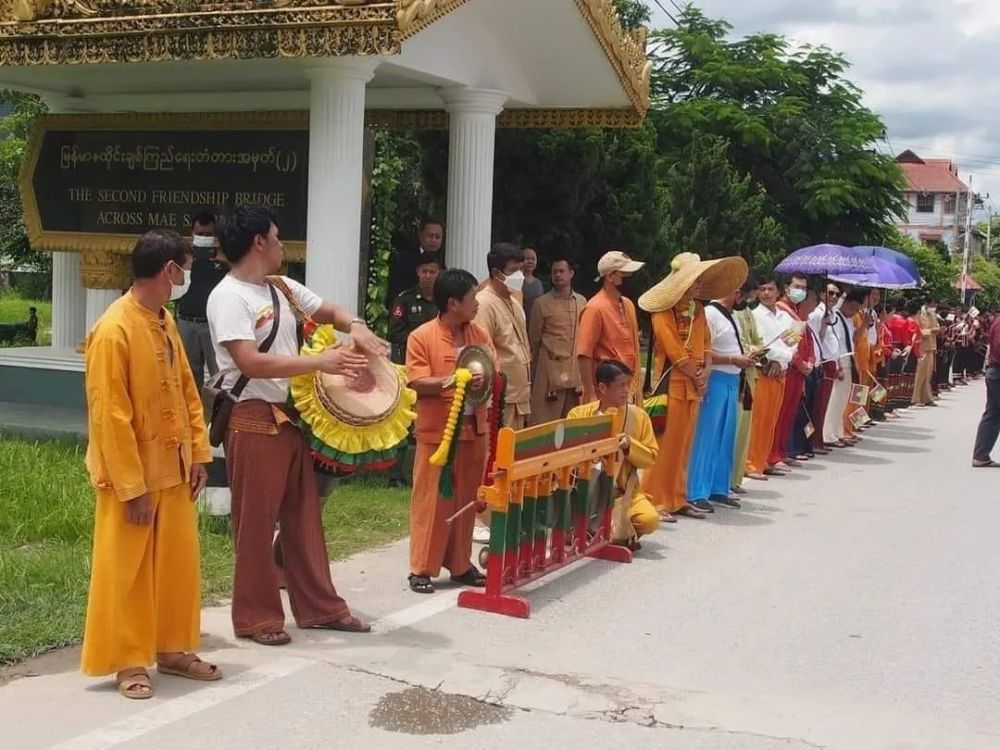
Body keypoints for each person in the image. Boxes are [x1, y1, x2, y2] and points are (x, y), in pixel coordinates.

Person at [207, 205, 385, 645]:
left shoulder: (281, 288)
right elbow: (249, 360)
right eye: (277, 236)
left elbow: (330, 311)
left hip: (285, 418)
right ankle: (256, 618)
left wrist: (356, 326)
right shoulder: (228, 297)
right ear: (258, 243)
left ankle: (320, 608)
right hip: (249, 417)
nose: (283, 243)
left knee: (303, 518)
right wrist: (320, 361)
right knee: (255, 523)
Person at [81, 229, 218, 699]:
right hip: (132, 480)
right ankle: (129, 661)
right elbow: (109, 417)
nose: (187, 277)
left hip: (175, 467)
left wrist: (200, 453)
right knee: (128, 571)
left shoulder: (164, 321)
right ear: (169, 272)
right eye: (186, 268)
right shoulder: (114, 329)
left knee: (177, 566)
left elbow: (187, 391)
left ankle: (173, 648)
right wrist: (131, 488)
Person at [639, 252, 747, 520]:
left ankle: (677, 497)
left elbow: (707, 345)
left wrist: (706, 371)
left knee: (685, 443)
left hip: (695, 384)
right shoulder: (663, 312)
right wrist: (694, 373)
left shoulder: (698, 310)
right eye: (696, 281)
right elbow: (673, 350)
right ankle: (654, 499)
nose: (699, 286)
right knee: (666, 444)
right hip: (673, 383)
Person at [405, 268, 494, 593]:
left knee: (465, 500)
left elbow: (491, 369)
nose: (477, 305)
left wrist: (486, 378)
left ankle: (460, 564)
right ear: (453, 303)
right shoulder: (422, 337)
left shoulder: (479, 336)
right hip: (438, 435)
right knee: (432, 500)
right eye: (472, 298)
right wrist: (451, 381)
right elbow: (415, 379)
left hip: (474, 430)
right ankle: (421, 568)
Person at [568, 360, 660, 548]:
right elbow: (567, 454)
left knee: (649, 519)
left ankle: (617, 532)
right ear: (602, 387)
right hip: (587, 491)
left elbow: (651, 457)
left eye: (628, 384)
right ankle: (605, 532)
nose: (626, 390)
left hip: (622, 493)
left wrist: (629, 446)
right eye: (621, 386)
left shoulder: (639, 417)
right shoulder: (579, 415)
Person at [689, 281, 758, 510]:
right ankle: (696, 489)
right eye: (741, 293)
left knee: (726, 436)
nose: (743, 299)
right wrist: (733, 360)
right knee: (707, 436)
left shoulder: (732, 315)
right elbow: (704, 351)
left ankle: (718, 486)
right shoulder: (710, 314)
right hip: (717, 378)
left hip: (731, 379)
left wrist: (744, 357)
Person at [475, 243, 532, 429]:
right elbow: (482, 353)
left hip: (520, 396)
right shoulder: (483, 303)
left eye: (521, 270)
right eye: (514, 270)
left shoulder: (514, 301)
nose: (520, 276)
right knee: (500, 454)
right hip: (500, 398)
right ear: (497, 273)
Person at [745, 273, 797, 479]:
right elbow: (760, 345)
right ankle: (751, 463)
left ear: (779, 292)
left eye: (770, 289)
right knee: (758, 419)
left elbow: (793, 344)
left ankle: (764, 459)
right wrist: (776, 358)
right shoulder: (753, 315)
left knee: (772, 419)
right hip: (763, 370)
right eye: (762, 289)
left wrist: (782, 360)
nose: (766, 293)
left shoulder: (787, 318)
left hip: (781, 372)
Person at [577, 251, 645, 404]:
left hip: (629, 387)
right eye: (625, 274)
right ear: (610, 277)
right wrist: (590, 393)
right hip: (607, 390)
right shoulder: (595, 308)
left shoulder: (627, 304)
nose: (631, 279)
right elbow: (584, 354)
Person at [528, 257, 586, 425]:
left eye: (562, 271)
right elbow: (534, 341)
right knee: (544, 423)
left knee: (573, 423)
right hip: (548, 374)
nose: (558, 275)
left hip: (575, 373)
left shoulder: (582, 302)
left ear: (571, 274)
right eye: (555, 272)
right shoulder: (541, 303)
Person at [768, 273, 816, 470]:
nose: (801, 291)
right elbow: (787, 344)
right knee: (780, 413)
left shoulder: (797, 312)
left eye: (804, 288)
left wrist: (811, 361)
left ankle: (782, 450)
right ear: (786, 288)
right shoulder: (782, 310)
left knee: (789, 413)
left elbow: (806, 342)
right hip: (790, 368)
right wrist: (800, 363)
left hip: (799, 371)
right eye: (797, 286)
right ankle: (772, 454)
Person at [177, 211, 228, 390]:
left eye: (208, 235)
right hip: (187, 322)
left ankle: (217, 416)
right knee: (189, 376)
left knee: (219, 375)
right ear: (192, 232)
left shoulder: (223, 258)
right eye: (200, 234)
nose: (204, 238)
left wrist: (226, 261)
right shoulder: (182, 257)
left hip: (213, 324)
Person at [731, 277, 764, 492]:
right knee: (732, 430)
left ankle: (735, 478)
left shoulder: (748, 312)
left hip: (749, 374)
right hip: (734, 374)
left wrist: (757, 349)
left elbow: (757, 339)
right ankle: (726, 479)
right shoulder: (723, 311)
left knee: (743, 430)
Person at [823, 289, 867, 447]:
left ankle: (837, 431)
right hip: (839, 361)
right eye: (853, 308)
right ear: (846, 302)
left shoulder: (848, 320)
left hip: (849, 360)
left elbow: (852, 339)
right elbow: (835, 343)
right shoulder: (835, 317)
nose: (854, 312)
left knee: (842, 401)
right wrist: (838, 365)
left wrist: (864, 325)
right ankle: (828, 434)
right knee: (834, 400)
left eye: (857, 310)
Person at [388, 252, 441, 365]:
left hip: (439, 357)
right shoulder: (404, 300)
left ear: (439, 273)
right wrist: (421, 340)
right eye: (424, 271)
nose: (427, 276)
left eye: (432, 272)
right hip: (412, 359)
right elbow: (395, 334)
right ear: (418, 272)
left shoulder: (444, 300)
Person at [807, 283, 842, 453]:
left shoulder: (832, 313)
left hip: (831, 361)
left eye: (837, 294)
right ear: (822, 294)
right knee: (818, 405)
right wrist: (823, 325)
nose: (834, 297)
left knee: (824, 404)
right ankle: (814, 441)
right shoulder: (817, 314)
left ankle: (818, 440)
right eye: (830, 293)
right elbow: (814, 339)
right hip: (822, 361)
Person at [387, 216, 444, 303]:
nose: (434, 240)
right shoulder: (403, 260)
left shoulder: (443, 264)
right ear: (420, 235)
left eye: (438, 237)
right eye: (430, 236)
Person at [972, 312, 1000, 467]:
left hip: (995, 372)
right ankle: (980, 455)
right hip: (998, 372)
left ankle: (981, 455)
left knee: (993, 414)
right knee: (992, 414)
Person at [913, 298, 940, 407]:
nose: (934, 307)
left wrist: (938, 330)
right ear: (927, 303)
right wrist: (930, 331)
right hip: (921, 346)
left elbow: (937, 326)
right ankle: (916, 398)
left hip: (931, 346)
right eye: (933, 304)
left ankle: (927, 397)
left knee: (928, 374)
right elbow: (916, 330)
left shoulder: (933, 314)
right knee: (920, 374)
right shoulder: (919, 314)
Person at [520, 247, 545, 323]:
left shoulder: (538, 283)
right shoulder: (516, 281)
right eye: (527, 259)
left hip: (536, 323)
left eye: (533, 259)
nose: (530, 261)